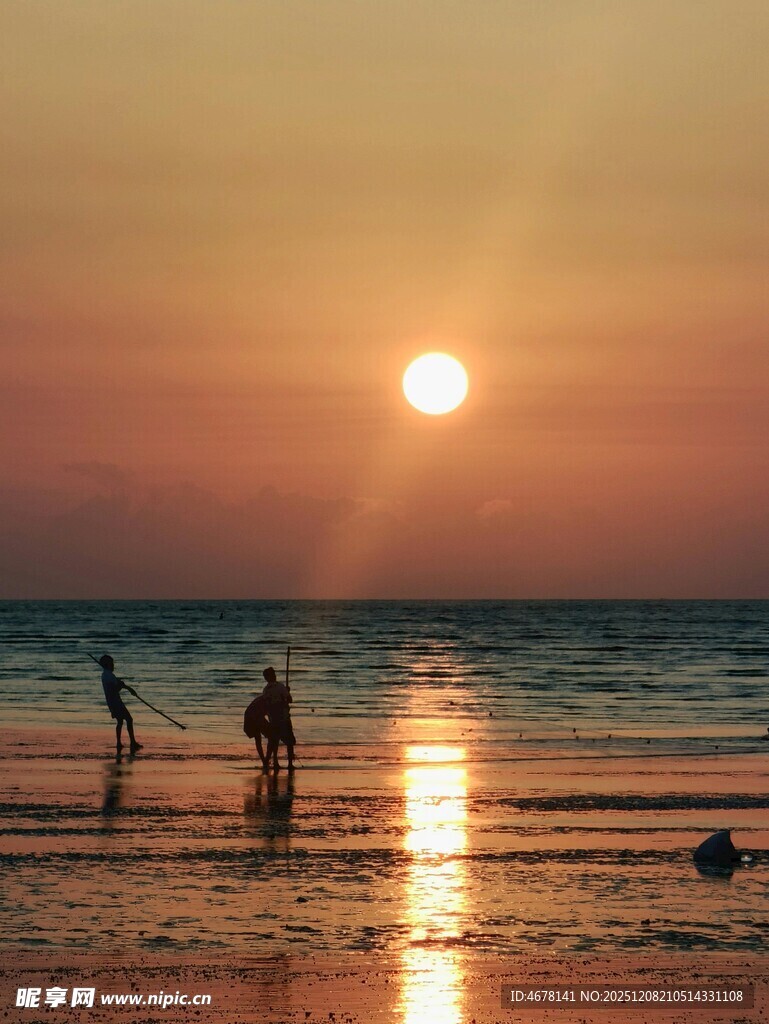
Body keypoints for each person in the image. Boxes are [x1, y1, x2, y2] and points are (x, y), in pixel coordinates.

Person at [98, 654, 142, 753]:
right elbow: (115, 689)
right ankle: (132, 742)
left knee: (120, 721)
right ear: (108, 665)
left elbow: (116, 685)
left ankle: (119, 743)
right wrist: (122, 686)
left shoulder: (106, 675)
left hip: (113, 702)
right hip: (116, 702)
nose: (113, 666)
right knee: (129, 719)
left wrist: (128, 688)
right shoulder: (109, 676)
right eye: (112, 664)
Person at [262, 666, 296, 771]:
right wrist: (287, 692)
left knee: (274, 741)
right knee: (289, 742)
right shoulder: (280, 687)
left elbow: (266, 705)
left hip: (273, 719)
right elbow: (290, 700)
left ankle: (275, 762)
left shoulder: (266, 690)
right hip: (284, 718)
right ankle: (290, 764)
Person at [243, 690, 272, 770]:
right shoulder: (266, 701)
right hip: (252, 717)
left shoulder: (264, 699)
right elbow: (269, 714)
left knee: (260, 738)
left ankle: (265, 760)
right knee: (269, 737)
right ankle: (265, 761)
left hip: (253, 716)